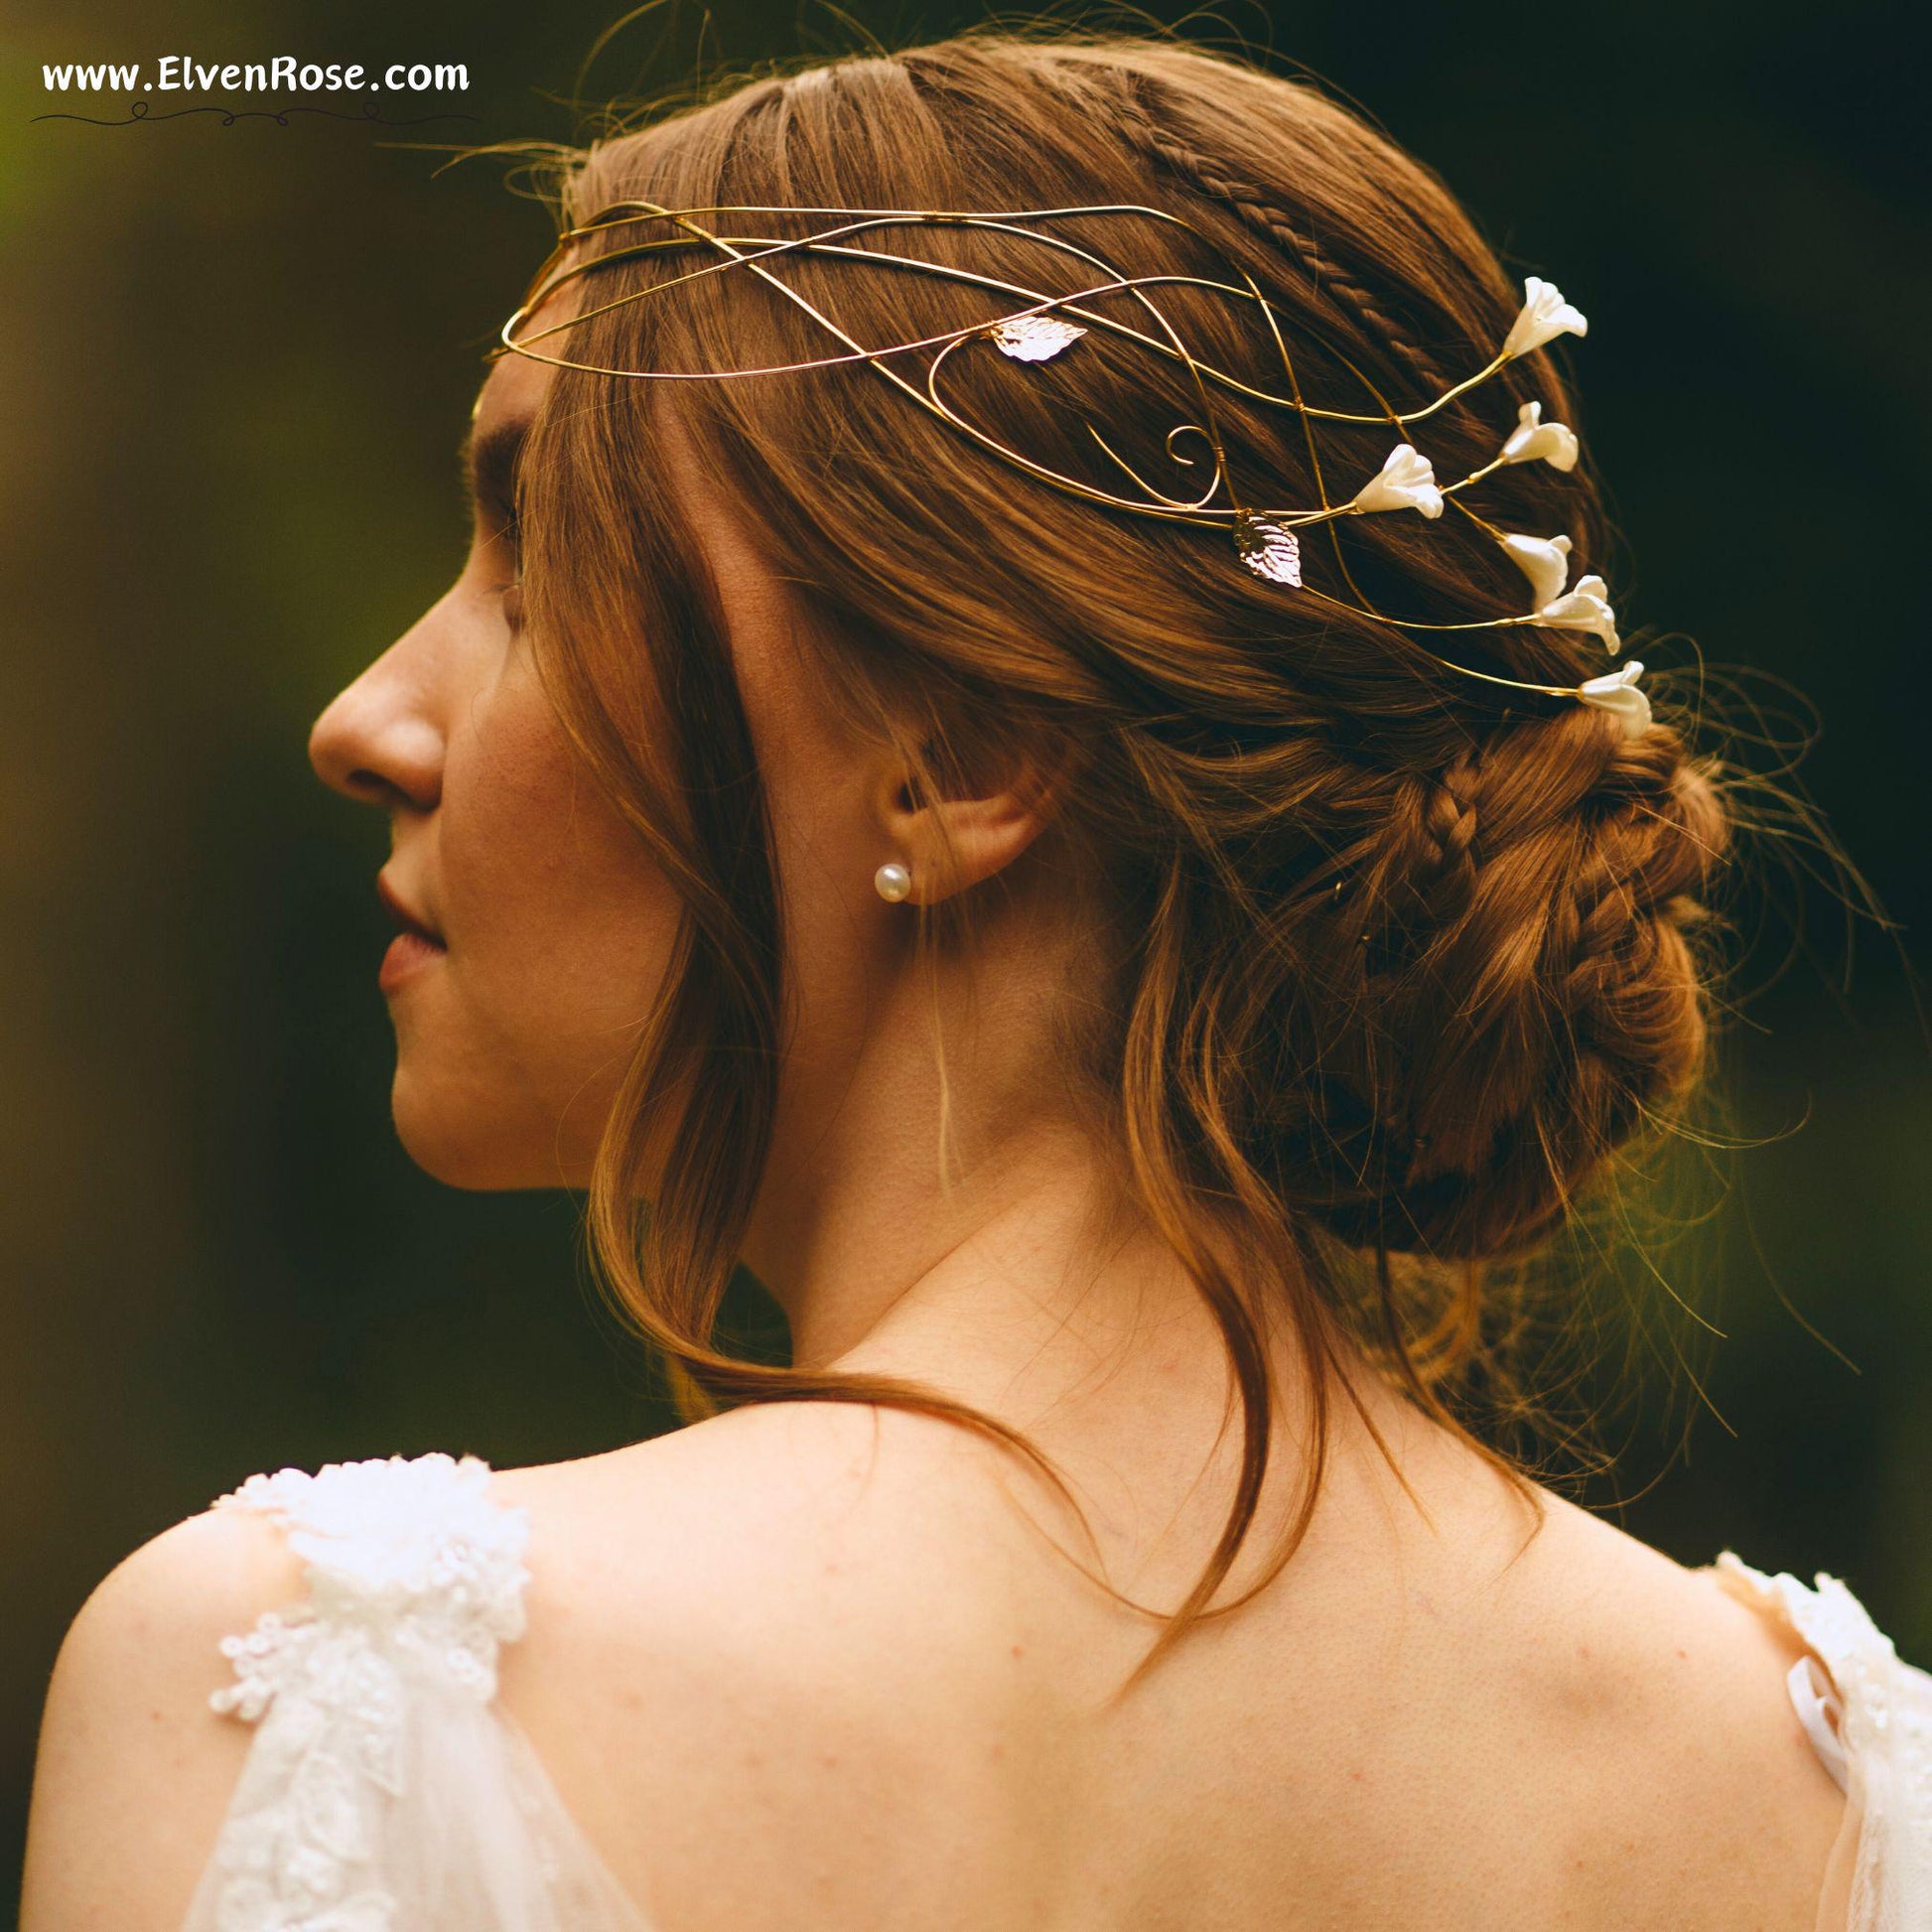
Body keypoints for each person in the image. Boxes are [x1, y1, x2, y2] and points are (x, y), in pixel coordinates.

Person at [20, 30, 1930, 1931]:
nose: (367, 720)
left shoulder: (330, 1680)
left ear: (963, 758)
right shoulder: (1817, 1794)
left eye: (535, 565)